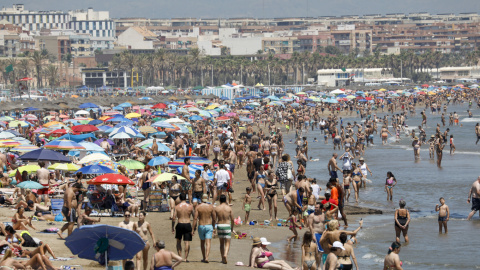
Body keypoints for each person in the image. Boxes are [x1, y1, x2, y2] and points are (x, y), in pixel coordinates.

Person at [193, 194, 216, 263]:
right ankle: (207, 257)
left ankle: (203, 257)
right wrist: (213, 227)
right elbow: (214, 218)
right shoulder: (211, 207)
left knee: (202, 242)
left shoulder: (198, 207)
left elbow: (195, 218)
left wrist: (193, 228)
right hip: (209, 225)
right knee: (208, 242)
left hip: (201, 225)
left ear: (201, 199)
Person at [172, 193, 194, 262]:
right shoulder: (190, 206)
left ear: (180, 199)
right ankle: (185, 258)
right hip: (187, 223)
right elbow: (194, 217)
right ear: (186, 198)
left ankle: (179, 257)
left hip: (180, 224)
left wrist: (172, 226)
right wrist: (194, 228)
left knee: (178, 241)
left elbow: (174, 217)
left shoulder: (177, 207)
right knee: (187, 242)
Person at [214, 194, 234, 264]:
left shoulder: (217, 208)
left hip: (219, 225)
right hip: (226, 225)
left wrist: (214, 228)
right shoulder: (229, 208)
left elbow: (214, 219)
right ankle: (225, 254)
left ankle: (222, 258)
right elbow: (232, 219)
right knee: (227, 242)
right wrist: (232, 228)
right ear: (226, 200)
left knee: (221, 243)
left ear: (219, 200)